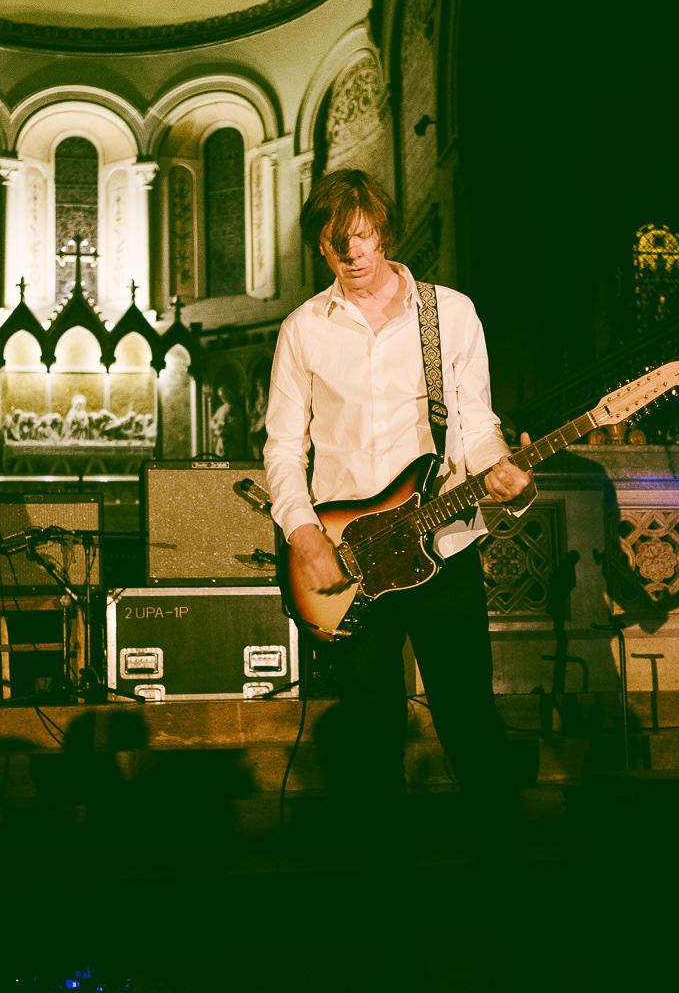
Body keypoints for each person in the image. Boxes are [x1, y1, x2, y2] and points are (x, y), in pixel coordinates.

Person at [263, 168, 534, 863]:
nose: (350, 256)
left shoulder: (449, 312)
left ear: (380, 229)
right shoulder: (302, 331)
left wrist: (497, 467)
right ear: (320, 250)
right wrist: (302, 536)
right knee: (370, 727)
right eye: (333, 247)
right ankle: (380, 889)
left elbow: (473, 421)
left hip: (441, 543)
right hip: (346, 557)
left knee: (467, 715)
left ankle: (505, 870)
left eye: (359, 238)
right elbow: (282, 447)